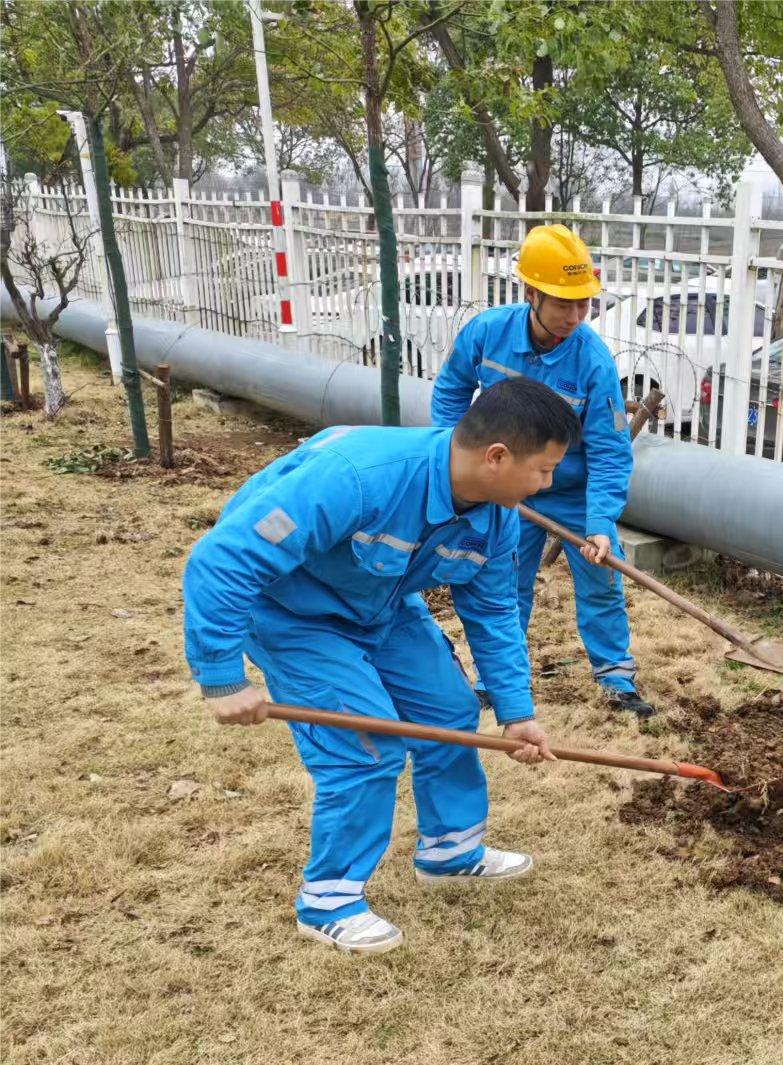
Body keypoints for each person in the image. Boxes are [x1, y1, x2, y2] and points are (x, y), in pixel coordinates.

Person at [182, 379, 576, 955]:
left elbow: (492, 612)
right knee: (367, 744)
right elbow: (224, 558)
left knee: (449, 710)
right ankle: (328, 900)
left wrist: (516, 711)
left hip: (382, 604)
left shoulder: (496, 517)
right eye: (543, 470)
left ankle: (450, 850)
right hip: (294, 615)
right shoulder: (359, 477)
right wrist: (220, 674)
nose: (548, 484)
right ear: (496, 457)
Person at [432, 224, 654, 720]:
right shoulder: (487, 334)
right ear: (530, 293)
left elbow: (610, 450)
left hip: (569, 494)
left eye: (585, 304)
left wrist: (598, 524)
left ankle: (616, 678)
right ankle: (496, 678)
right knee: (505, 581)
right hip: (505, 488)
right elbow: (450, 390)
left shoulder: (592, 361)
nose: (577, 316)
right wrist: (455, 456)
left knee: (601, 578)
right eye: (564, 304)